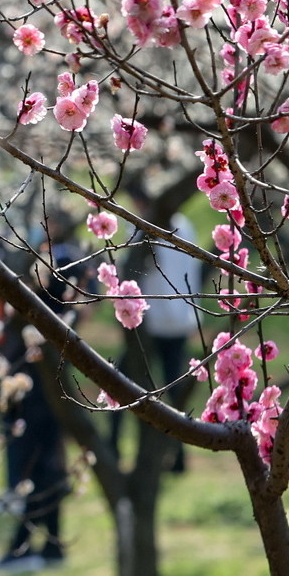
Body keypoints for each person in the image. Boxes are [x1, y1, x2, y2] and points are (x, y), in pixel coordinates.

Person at [0, 210, 86, 573]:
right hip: (38, 382)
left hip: (37, 385)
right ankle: (47, 546)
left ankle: (25, 547)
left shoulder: (60, 268)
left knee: (38, 466)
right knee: (45, 465)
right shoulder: (42, 272)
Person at [110, 193, 202, 468]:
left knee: (120, 382)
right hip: (179, 320)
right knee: (174, 388)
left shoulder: (142, 228)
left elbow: (133, 271)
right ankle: (179, 457)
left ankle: (113, 444)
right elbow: (193, 271)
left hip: (149, 322)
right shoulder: (184, 226)